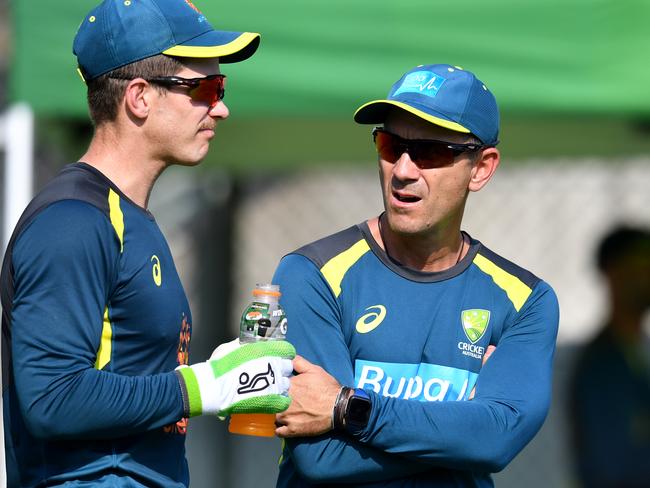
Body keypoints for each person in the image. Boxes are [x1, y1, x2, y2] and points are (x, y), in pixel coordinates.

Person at [0, 1, 295, 486]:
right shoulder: (73, 221)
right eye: (204, 88)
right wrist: (203, 386)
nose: (221, 107)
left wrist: (215, 374)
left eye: (221, 88)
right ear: (139, 97)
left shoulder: (129, 217)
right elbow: (51, 398)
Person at [272, 64, 560, 487]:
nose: (403, 170)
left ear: (481, 167)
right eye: (390, 144)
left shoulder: (525, 301)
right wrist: (465, 430)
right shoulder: (312, 275)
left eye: (430, 151)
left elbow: (497, 441)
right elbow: (324, 455)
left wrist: (347, 408)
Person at [568, 225, 650, 488]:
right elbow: (609, 465)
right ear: (613, 273)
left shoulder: (638, 350)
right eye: (639, 264)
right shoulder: (600, 365)